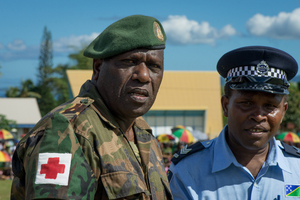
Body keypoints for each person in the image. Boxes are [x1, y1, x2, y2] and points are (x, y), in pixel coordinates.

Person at [11, 15, 173, 200]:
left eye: (154, 66)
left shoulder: (144, 133)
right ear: (97, 68)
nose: (144, 75)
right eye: (129, 62)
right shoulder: (67, 131)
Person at [168, 46, 300, 199]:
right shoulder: (187, 171)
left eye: (270, 106)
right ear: (225, 106)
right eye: (246, 103)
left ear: (283, 111)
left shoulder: (297, 168)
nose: (258, 116)